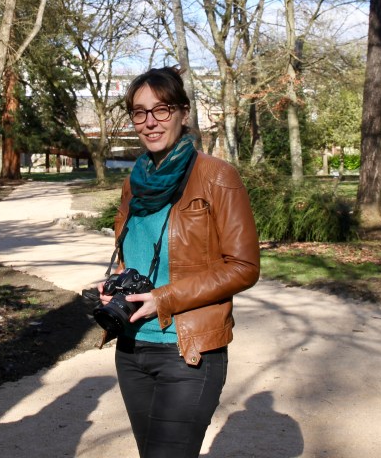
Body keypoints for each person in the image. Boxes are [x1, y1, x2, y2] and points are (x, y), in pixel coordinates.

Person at [95, 66, 260, 458]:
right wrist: (115, 283)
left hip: (187, 351)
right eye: (139, 112)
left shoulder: (217, 176)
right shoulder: (134, 182)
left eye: (162, 109)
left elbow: (244, 266)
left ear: (183, 113)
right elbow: (132, 256)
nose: (150, 122)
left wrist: (164, 298)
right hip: (132, 349)